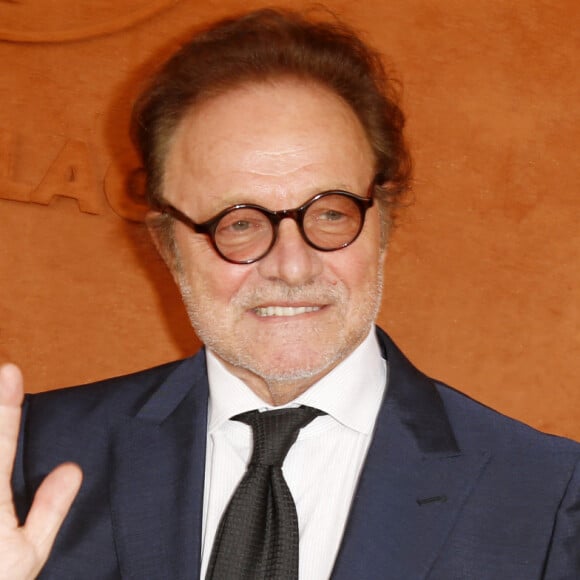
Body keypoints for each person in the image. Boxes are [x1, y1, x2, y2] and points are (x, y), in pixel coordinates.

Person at [1, 8, 579, 579]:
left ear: (385, 223)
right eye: (239, 223)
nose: (293, 266)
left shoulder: (547, 498)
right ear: (168, 245)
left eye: (331, 213)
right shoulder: (26, 460)